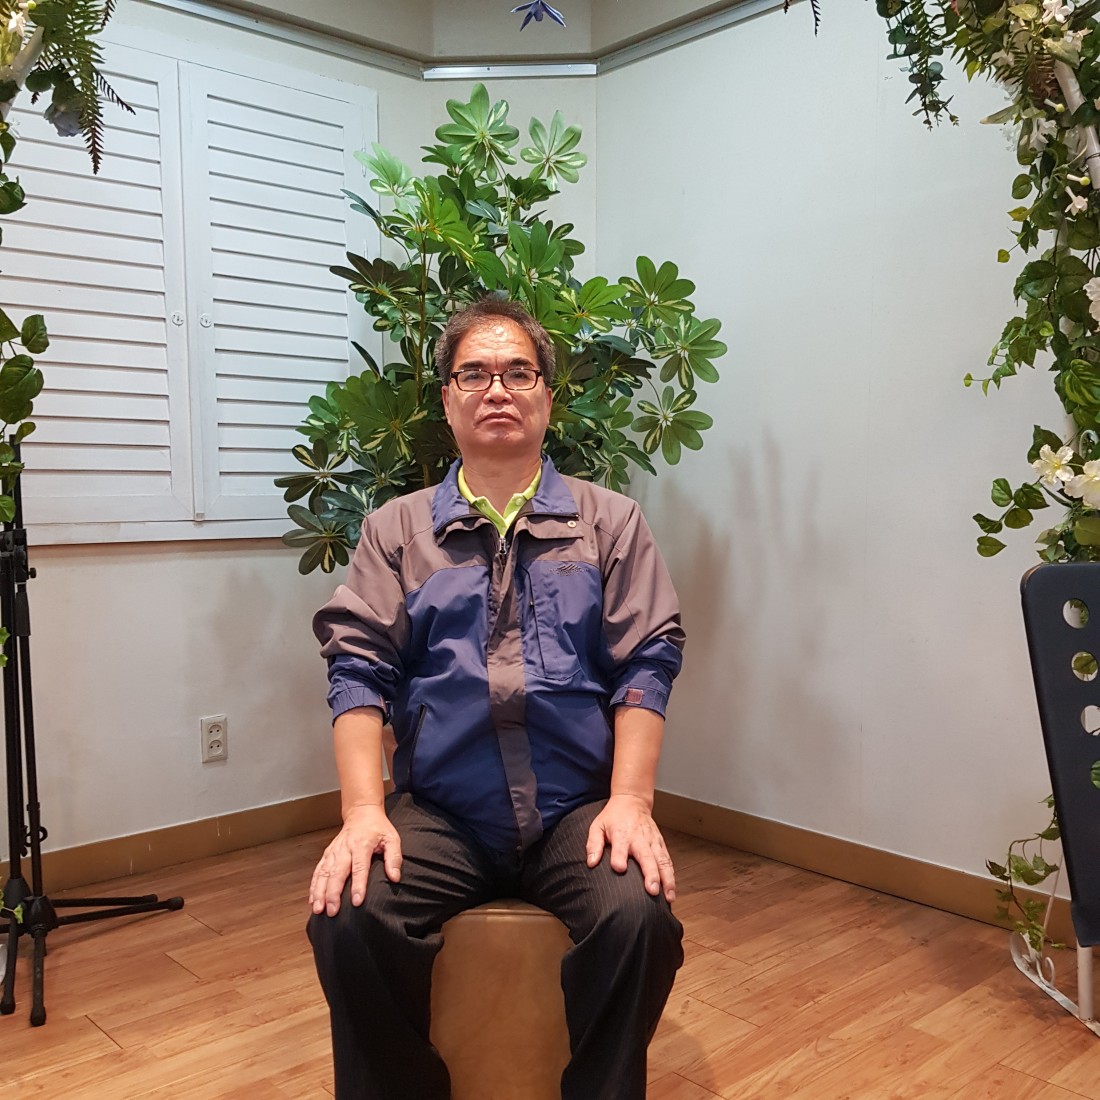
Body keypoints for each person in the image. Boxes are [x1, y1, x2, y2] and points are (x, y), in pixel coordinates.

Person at [307, 297, 686, 1100]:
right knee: (350, 916)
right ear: (447, 400)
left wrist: (631, 801)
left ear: (548, 394)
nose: (497, 390)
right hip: (444, 812)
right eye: (474, 374)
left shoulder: (610, 524)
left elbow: (646, 663)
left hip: (576, 811)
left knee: (639, 918)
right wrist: (363, 813)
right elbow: (358, 671)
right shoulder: (395, 532)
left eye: (519, 372)